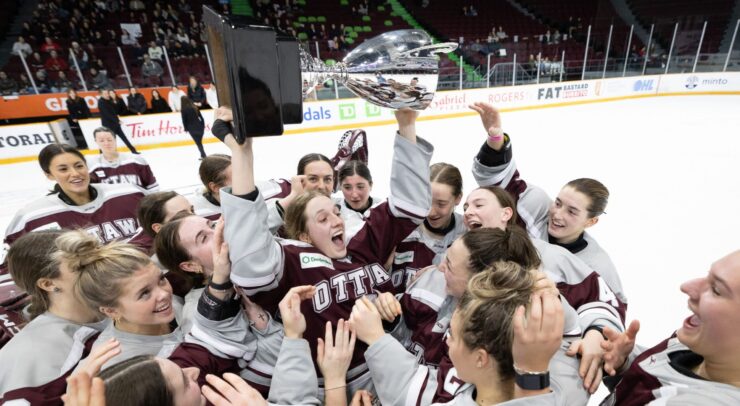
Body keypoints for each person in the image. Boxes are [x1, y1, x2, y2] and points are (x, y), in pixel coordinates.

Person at [215, 105, 432, 393]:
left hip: (396, 368)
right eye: (322, 218)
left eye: (335, 212)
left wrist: (406, 125)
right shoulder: (291, 264)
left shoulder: (363, 247)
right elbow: (249, 253)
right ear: (304, 234)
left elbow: (409, 207)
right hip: (337, 387)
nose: (336, 221)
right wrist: (243, 155)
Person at [468, 102, 625, 318]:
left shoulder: (597, 266)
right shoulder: (537, 205)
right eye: (558, 203)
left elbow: (611, 313)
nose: (557, 214)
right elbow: (498, 182)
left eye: (572, 211)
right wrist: (496, 139)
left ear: (591, 221)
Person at [354, 261, 585, 405]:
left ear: (480, 358)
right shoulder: (570, 384)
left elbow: (407, 391)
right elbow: (567, 335)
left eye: (452, 335)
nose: (447, 341)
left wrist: (376, 338)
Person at [599, 250, 740, 405]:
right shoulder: (695, 346)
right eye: (707, 276)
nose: (687, 286)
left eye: (716, 290)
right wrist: (625, 362)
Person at [2, 144, 145, 273]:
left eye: (79, 166)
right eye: (63, 169)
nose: (75, 173)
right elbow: (12, 264)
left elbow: (158, 226)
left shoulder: (128, 194)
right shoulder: (32, 216)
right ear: (49, 175)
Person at [0, 231, 108, 395]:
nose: (101, 269)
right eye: (82, 267)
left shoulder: (122, 304)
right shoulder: (35, 355)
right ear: (48, 284)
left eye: (98, 259)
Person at [390, 162, 467, 293]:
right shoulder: (402, 227)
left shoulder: (468, 232)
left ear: (458, 198)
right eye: (426, 201)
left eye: (441, 204)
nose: (431, 212)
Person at [88, 127, 159, 192]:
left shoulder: (136, 160)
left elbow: (152, 187)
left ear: (115, 140)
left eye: (109, 140)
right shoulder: (92, 166)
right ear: (96, 142)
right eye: (102, 141)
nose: (106, 143)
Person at [97, 89, 139, 154]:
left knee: (123, 137)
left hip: (115, 124)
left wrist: (117, 120)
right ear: (101, 94)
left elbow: (114, 112)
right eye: (105, 93)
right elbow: (107, 114)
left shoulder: (108, 100)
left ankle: (133, 150)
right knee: (108, 140)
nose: (107, 94)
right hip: (108, 126)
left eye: (107, 93)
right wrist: (117, 121)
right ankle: (101, 153)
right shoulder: (101, 102)